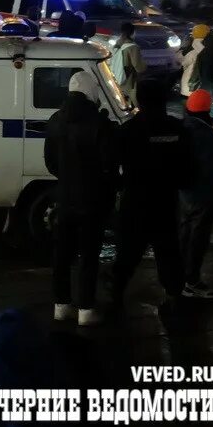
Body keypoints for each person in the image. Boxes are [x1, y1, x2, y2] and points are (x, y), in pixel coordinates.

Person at [43, 71, 119, 326]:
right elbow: (110, 165)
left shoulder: (55, 120)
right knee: (88, 255)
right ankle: (86, 309)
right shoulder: (101, 124)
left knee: (61, 254)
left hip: (64, 198)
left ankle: (60, 306)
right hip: (93, 200)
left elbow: (50, 162)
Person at [111, 79, 188, 308]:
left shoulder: (128, 130)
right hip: (166, 201)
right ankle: (174, 295)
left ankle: (116, 294)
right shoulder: (177, 129)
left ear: (140, 100)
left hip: (135, 201)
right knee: (168, 251)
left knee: (128, 252)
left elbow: (113, 164)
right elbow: (188, 166)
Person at [179, 90, 213, 300]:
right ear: (208, 110)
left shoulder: (184, 128)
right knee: (197, 238)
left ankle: (180, 279)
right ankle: (191, 281)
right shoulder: (206, 134)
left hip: (184, 193)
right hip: (202, 194)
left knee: (184, 235)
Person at [109, 22, 146, 105]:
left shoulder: (116, 45)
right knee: (132, 102)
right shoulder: (132, 47)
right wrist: (145, 65)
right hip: (128, 80)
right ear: (132, 33)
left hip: (116, 78)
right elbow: (139, 67)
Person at [181, 24, 210, 97]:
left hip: (188, 89)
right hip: (205, 90)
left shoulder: (192, 53)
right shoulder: (211, 51)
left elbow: (183, 64)